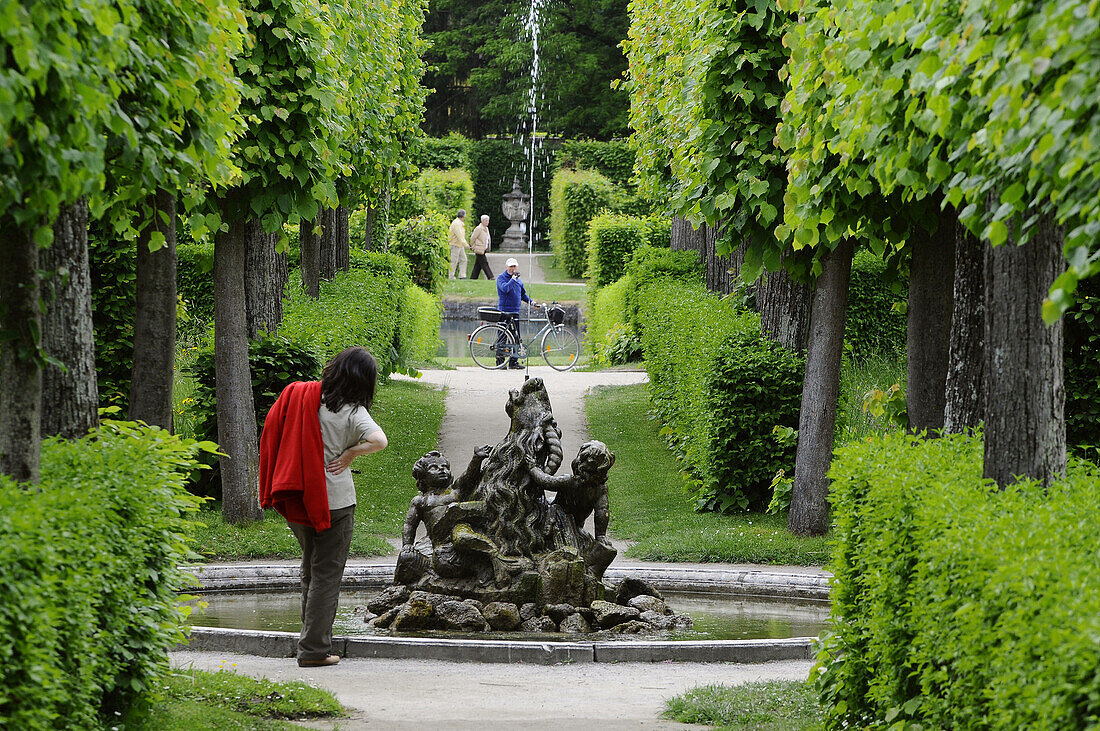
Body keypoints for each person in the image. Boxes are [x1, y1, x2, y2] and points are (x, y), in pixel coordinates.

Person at [259, 346, 388, 668]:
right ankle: (315, 649)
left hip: (298, 493)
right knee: (327, 574)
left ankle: (308, 639)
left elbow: (272, 431)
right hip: (335, 502)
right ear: (364, 381)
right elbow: (379, 441)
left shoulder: (300, 396)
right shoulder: (353, 411)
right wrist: (350, 454)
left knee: (310, 569)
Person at [495, 257, 538, 369]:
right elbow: (505, 289)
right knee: (502, 337)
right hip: (504, 311)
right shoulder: (501, 278)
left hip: (515, 311)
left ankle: (513, 362)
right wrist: (513, 279)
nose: (512, 269)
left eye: (514, 266)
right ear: (506, 267)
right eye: (510, 267)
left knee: (516, 337)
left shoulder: (518, 281)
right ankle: (500, 362)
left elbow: (523, 295)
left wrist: (532, 303)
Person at [468, 214, 494, 280]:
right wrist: (473, 246)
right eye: (486, 221)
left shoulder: (486, 228)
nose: (487, 222)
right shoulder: (479, 228)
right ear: (482, 221)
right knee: (484, 263)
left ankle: (473, 277)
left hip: (483, 249)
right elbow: (473, 238)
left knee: (478, 265)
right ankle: (490, 276)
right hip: (479, 249)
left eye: (488, 221)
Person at [448, 209, 469, 280]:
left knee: (464, 259)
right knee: (454, 261)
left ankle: (462, 275)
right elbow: (459, 235)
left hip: (459, 245)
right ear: (463, 216)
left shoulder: (459, 223)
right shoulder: (456, 223)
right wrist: (466, 244)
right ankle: (451, 276)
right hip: (455, 244)